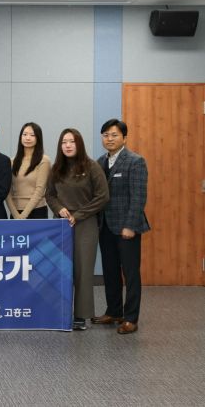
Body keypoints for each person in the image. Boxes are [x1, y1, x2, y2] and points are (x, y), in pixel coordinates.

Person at [46, 128, 109, 331]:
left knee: (83, 270)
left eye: (72, 141)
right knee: (60, 269)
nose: (68, 145)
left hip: (85, 223)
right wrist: (59, 208)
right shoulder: (56, 169)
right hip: (61, 224)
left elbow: (102, 197)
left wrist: (79, 214)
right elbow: (50, 195)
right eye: (64, 142)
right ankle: (59, 311)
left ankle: (81, 315)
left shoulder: (92, 167)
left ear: (79, 144)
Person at [92, 119, 150, 335]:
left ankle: (131, 318)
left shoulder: (135, 161)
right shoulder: (99, 162)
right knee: (110, 271)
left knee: (130, 273)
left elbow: (138, 197)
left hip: (127, 228)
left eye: (114, 135)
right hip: (105, 227)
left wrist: (130, 225)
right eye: (105, 135)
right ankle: (114, 311)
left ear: (124, 138)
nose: (109, 139)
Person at [6, 122, 51, 219]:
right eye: (25, 134)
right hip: (16, 213)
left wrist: (23, 216)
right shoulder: (11, 161)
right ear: (20, 137)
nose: (28, 138)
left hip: (37, 211)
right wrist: (15, 214)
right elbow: (7, 191)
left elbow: (40, 190)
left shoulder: (44, 161)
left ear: (38, 138)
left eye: (32, 135)